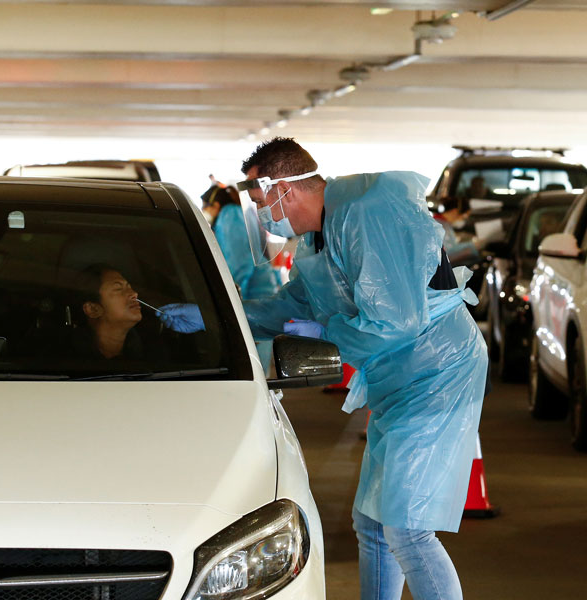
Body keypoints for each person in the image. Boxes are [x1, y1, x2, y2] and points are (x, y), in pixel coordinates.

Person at [235, 137, 487, 600]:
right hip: (399, 381)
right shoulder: (319, 236)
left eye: (259, 202)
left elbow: (395, 321)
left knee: (406, 529)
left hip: (437, 374)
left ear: (284, 191)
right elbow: (297, 301)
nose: (260, 215)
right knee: (372, 522)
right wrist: (226, 316)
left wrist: (326, 336)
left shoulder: (369, 212)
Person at [200, 177, 281, 370]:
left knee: (253, 365)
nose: (205, 213)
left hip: (251, 296)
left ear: (217, 205)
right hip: (261, 294)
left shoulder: (230, 215)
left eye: (206, 207)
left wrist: (231, 299)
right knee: (257, 363)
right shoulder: (238, 213)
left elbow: (240, 262)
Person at [71, 264, 145, 360]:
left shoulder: (151, 352)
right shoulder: (65, 359)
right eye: (118, 289)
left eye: (129, 287)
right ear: (92, 309)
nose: (134, 294)